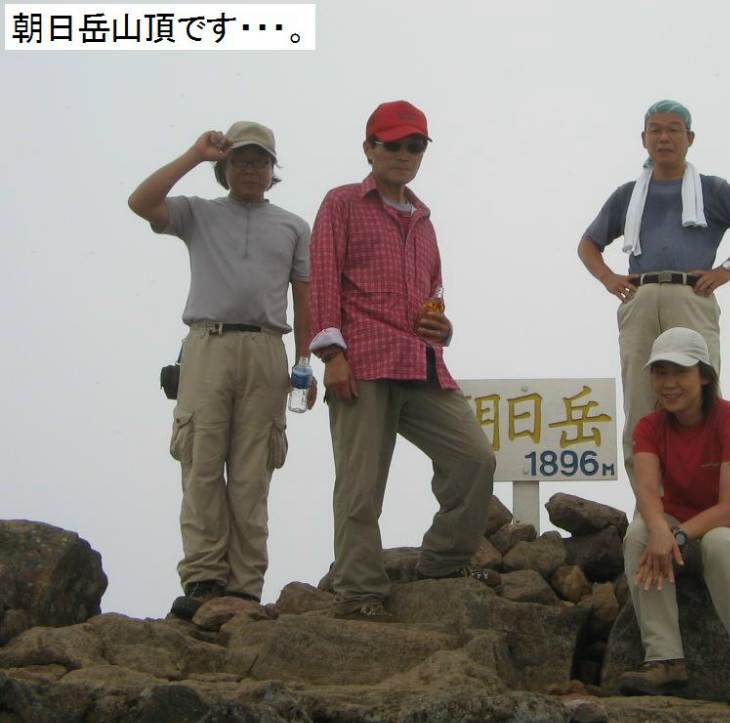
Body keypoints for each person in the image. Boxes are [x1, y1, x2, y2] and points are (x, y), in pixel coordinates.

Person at [309, 100, 498, 622]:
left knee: (474, 458)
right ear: (369, 148)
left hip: (422, 360)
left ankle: (443, 562)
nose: (403, 154)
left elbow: (433, 293)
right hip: (363, 360)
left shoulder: (425, 222)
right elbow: (322, 278)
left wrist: (445, 327)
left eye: (414, 145)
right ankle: (358, 591)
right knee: (361, 485)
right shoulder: (342, 202)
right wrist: (332, 354)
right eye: (391, 144)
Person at [128, 121, 315, 618]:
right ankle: (204, 577)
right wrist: (195, 153)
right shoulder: (198, 213)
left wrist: (304, 362)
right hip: (206, 343)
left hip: (267, 348)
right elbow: (140, 201)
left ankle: (244, 585)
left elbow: (304, 297)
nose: (251, 170)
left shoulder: (294, 226)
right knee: (201, 460)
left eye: (260, 162)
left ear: (273, 169)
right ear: (224, 168)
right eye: (240, 161)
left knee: (254, 471)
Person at [577, 100, 730, 489]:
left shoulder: (712, 189)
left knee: (699, 397)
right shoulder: (628, 195)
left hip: (691, 294)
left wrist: (726, 269)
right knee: (641, 400)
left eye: (673, 129)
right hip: (640, 297)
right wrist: (607, 278)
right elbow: (588, 243)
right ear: (644, 139)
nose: (664, 137)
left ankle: (703, 500)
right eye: (655, 130)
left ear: (690, 138)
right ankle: (649, 507)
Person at [619, 327, 730, 709]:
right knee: (638, 535)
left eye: (680, 372)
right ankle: (664, 660)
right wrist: (660, 530)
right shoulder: (649, 427)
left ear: (704, 375)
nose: (669, 383)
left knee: (720, 542)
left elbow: (729, 509)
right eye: (660, 372)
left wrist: (675, 535)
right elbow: (647, 490)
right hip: (680, 535)